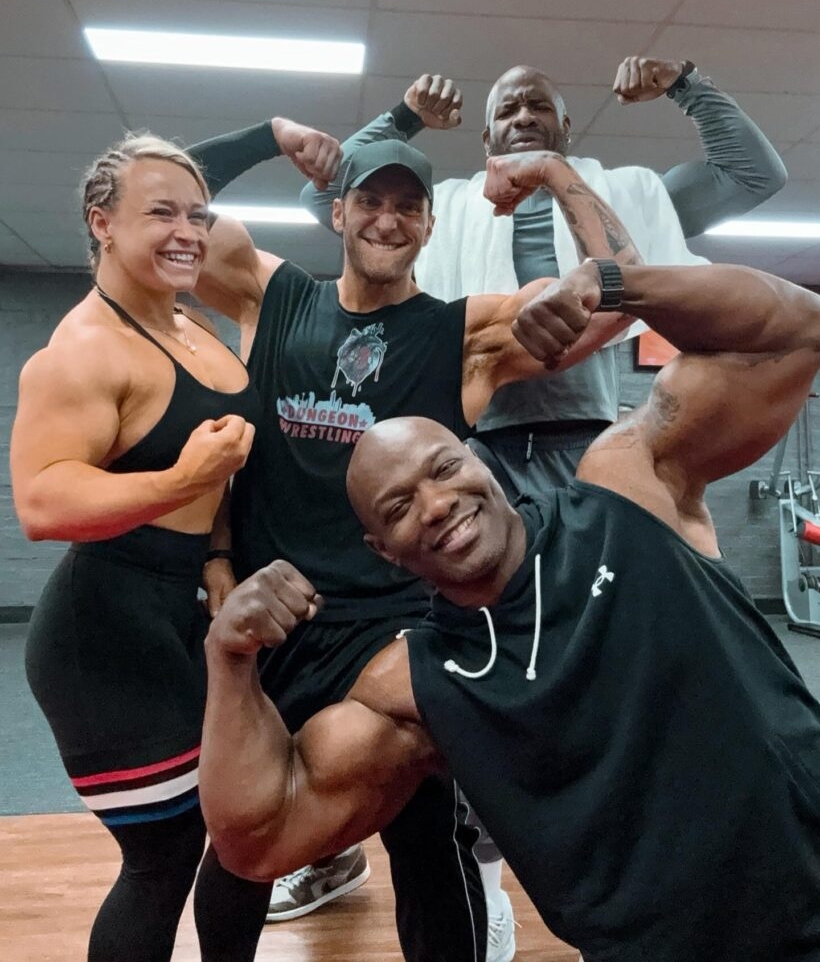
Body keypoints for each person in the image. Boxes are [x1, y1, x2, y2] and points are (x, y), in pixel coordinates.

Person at [199, 255, 820, 962]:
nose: (437, 507)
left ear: (480, 459)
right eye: (401, 508)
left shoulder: (625, 490)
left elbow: (793, 331)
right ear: (386, 552)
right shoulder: (420, 684)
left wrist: (613, 283)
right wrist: (230, 658)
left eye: (443, 469)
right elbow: (258, 839)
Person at [190, 134, 644, 962]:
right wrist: (268, 138)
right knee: (238, 844)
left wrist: (556, 172)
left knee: (428, 829)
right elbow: (168, 213)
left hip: (391, 630)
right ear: (338, 212)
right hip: (274, 620)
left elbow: (622, 293)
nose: (387, 219)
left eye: (407, 206)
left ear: (431, 226)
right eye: (370, 200)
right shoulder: (273, 295)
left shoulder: (457, 333)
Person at [9, 120, 339, 962]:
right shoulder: (81, 351)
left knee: (247, 831)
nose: (188, 232)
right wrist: (178, 481)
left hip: (190, 613)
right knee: (161, 861)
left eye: (198, 215)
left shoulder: (190, 327)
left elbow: (219, 484)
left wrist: (222, 559)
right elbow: (43, 503)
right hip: (104, 635)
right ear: (101, 222)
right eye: (162, 214)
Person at [300, 56, 788, 493]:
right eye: (507, 111)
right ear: (488, 138)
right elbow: (324, 198)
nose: (525, 117)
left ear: (566, 128)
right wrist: (403, 118)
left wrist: (687, 84)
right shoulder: (441, 213)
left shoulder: (621, 201)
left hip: (587, 440)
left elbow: (754, 174)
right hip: (474, 443)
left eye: (539, 107)